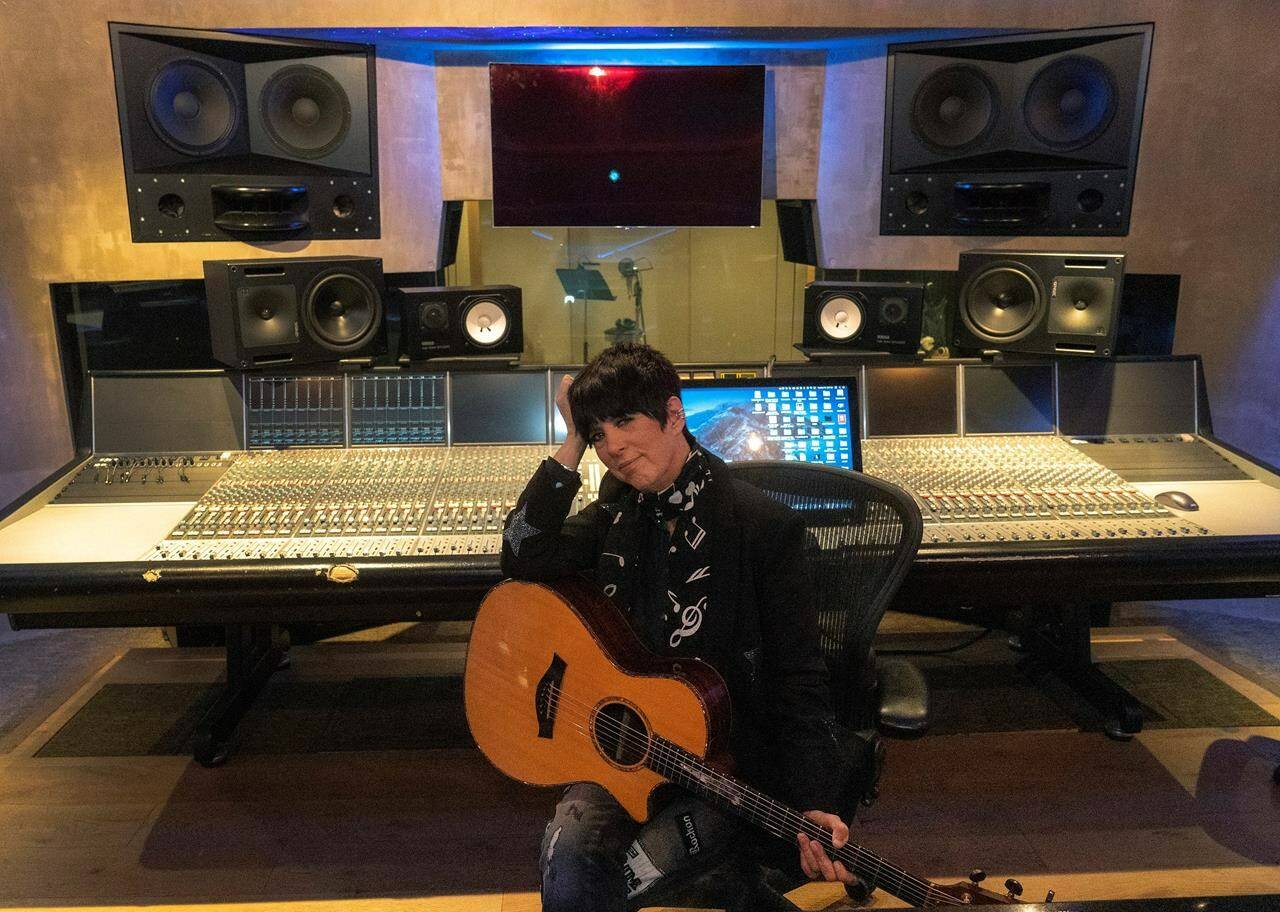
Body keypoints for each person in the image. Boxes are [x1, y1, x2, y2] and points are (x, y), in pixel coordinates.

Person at [500, 343, 859, 912]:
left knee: (625, 877)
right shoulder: (620, 511)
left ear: (673, 415)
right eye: (597, 435)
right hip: (630, 750)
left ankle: (741, 888)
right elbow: (523, 555)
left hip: (729, 765)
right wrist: (570, 442)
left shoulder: (761, 527)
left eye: (624, 422)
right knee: (567, 852)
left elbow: (798, 677)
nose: (612, 448)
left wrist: (814, 800)